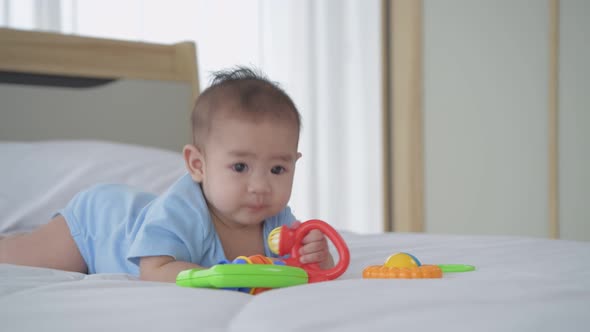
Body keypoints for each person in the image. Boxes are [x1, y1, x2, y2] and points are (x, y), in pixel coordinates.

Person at [0, 67, 334, 283]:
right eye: (240, 167)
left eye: (278, 169)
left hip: (124, 215)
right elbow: (155, 271)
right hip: (100, 226)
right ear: (197, 165)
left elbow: (305, 267)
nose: (261, 186)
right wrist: (221, 278)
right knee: (26, 256)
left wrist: (317, 254)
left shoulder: (277, 220)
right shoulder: (182, 211)